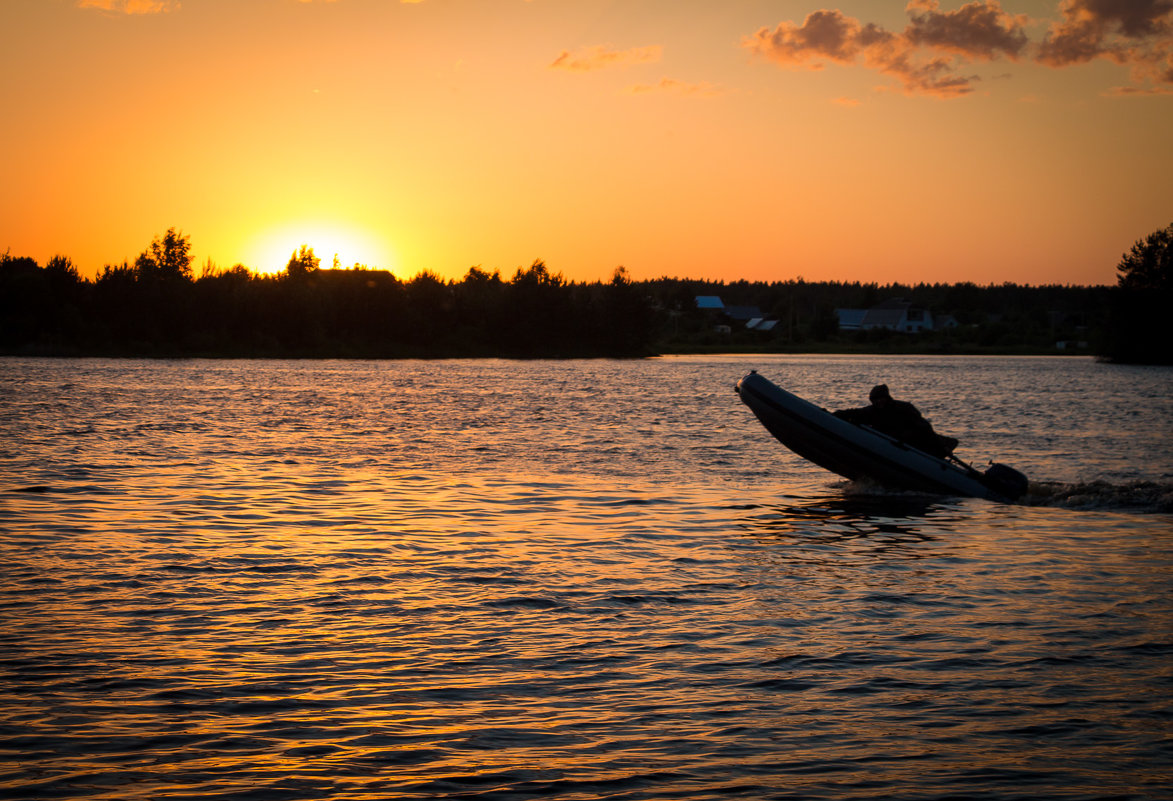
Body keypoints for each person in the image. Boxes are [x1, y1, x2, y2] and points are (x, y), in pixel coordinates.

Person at [833, 384, 958, 458]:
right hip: (892, 445)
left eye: (881, 398)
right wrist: (834, 415)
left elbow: (925, 427)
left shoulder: (903, 408)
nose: (878, 401)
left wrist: (941, 447)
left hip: (913, 443)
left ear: (887, 398)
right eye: (875, 399)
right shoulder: (872, 411)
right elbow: (855, 413)